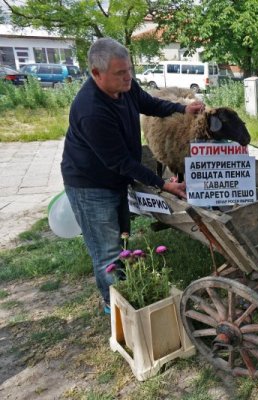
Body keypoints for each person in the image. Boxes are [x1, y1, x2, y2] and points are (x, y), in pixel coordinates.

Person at [61, 38, 205, 314]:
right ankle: (114, 305)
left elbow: (149, 104)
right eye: (120, 73)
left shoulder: (126, 87)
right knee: (107, 250)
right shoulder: (91, 110)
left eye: (129, 70)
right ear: (96, 73)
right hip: (91, 185)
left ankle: (126, 292)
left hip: (115, 177)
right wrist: (164, 185)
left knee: (122, 236)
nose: (128, 77)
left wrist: (182, 109)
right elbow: (120, 161)